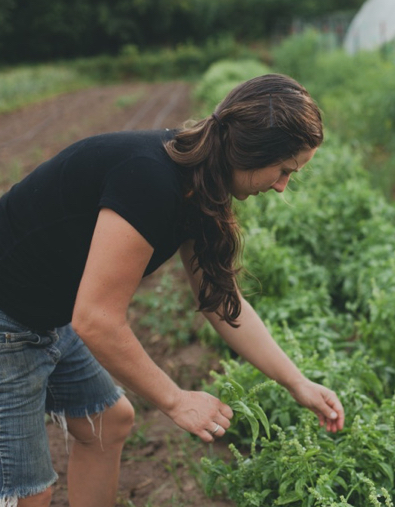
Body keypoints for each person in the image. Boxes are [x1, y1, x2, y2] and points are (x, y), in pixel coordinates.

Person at [0, 73, 345, 507]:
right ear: (252, 151)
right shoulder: (150, 181)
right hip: (9, 317)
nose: (281, 186)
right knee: (27, 493)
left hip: (45, 310)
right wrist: (175, 400)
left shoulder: (199, 180)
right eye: (283, 171)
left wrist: (298, 383)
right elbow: (97, 319)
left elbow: (223, 304)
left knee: (110, 423)